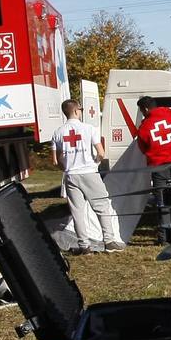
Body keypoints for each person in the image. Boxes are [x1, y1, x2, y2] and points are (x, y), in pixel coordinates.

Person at [52, 99, 123, 254]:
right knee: (102, 206)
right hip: (89, 172)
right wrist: (95, 163)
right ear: (76, 111)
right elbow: (101, 153)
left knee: (77, 211)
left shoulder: (58, 132)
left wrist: (66, 168)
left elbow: (56, 160)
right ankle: (109, 241)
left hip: (71, 175)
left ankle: (84, 245)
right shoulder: (89, 128)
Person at [135, 96, 171, 244]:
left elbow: (143, 147)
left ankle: (164, 238)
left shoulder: (145, 126)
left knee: (163, 202)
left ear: (145, 109)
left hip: (159, 167)